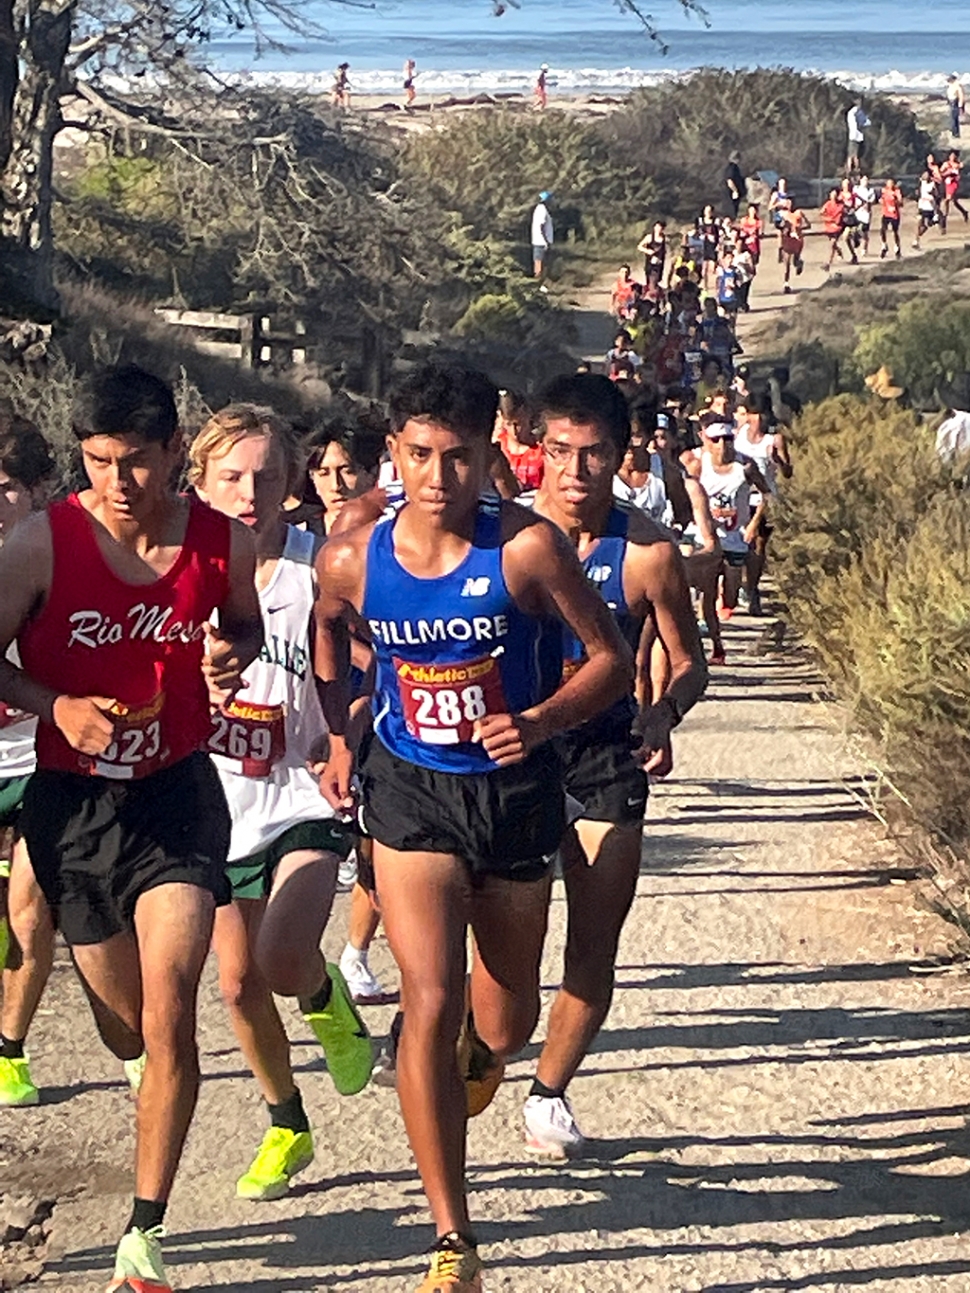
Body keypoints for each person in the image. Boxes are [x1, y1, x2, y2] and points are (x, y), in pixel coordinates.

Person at [312, 359, 632, 1292]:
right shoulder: (353, 554)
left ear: (491, 455)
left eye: (458, 457)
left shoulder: (526, 549)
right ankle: (453, 1237)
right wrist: (341, 731)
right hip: (411, 791)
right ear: (394, 453)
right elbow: (327, 632)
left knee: (506, 1013)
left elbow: (608, 660)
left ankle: (485, 1059)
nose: (439, 478)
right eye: (420, 456)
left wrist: (535, 722)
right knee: (429, 998)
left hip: (515, 792)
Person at [0, 365, 264, 1293]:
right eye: (98, 462)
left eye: (137, 463)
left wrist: (234, 650)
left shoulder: (220, 541)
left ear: (170, 454)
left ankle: (143, 1236)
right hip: (73, 809)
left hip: (175, 797)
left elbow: (242, 630)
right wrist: (52, 702)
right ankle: (140, 1075)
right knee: (124, 1032)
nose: (117, 483)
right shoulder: (41, 544)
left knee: (171, 1014)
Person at [190, 405, 374, 1204]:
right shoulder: (180, 575)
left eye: (266, 476)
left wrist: (345, 734)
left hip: (304, 788)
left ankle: (329, 1005)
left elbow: (378, 664)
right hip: (217, 796)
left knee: (283, 956)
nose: (250, 493)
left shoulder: (318, 569)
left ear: (291, 479)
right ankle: (286, 1122)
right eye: (231, 476)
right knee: (234, 986)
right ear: (197, 482)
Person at [519, 375, 706, 1157]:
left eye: (593, 453)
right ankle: (485, 1039)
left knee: (594, 940)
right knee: (502, 937)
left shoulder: (650, 552)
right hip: (516, 752)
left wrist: (665, 709)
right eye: (559, 451)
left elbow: (690, 661)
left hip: (605, 753)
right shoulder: (505, 537)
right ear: (539, 451)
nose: (574, 471)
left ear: (621, 454)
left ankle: (548, 1092)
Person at [0, 411, 57, 1108]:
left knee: (30, 910)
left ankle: (10, 1047)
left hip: (40, 756)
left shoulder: (57, 559)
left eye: (9, 485)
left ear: (39, 489)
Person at [697, 414, 769, 624]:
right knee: (706, 582)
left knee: (731, 597)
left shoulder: (746, 466)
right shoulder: (697, 463)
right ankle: (704, 619)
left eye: (727, 439)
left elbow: (767, 495)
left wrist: (754, 524)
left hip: (736, 536)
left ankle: (724, 599)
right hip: (707, 536)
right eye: (716, 439)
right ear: (707, 441)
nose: (722, 444)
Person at [733, 389, 792, 617]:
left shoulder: (774, 439)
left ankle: (752, 588)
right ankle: (739, 585)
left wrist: (778, 460)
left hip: (765, 498)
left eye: (760, 415)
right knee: (739, 543)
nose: (756, 420)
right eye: (752, 414)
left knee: (757, 543)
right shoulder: (738, 435)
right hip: (740, 496)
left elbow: (788, 472)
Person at [493, 390, 544, 490]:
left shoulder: (541, 450)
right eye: (509, 424)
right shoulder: (498, 447)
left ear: (526, 416)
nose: (514, 431)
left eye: (518, 424)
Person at [821, 187, 847, 271]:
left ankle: (828, 263)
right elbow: (821, 213)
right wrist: (826, 218)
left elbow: (840, 217)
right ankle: (839, 250)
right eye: (832, 194)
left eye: (835, 195)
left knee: (832, 243)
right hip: (828, 226)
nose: (833, 196)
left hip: (837, 227)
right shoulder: (828, 204)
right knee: (833, 244)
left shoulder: (841, 205)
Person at [768, 177, 793, 261]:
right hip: (778, 216)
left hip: (787, 215)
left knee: (787, 232)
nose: (783, 185)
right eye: (781, 183)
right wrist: (778, 204)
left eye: (784, 184)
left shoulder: (788, 194)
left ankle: (787, 249)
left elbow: (790, 206)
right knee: (780, 233)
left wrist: (788, 205)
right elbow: (770, 207)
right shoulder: (775, 194)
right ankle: (780, 249)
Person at [941, 151, 968, 228]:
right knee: (954, 201)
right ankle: (964, 212)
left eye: (954, 156)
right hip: (947, 183)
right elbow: (941, 173)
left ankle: (944, 218)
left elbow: (959, 172)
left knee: (947, 200)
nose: (952, 157)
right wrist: (947, 173)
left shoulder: (957, 165)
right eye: (951, 155)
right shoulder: (946, 164)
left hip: (954, 184)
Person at [637, 220, 667, 287]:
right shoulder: (649, 237)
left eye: (661, 227)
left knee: (656, 281)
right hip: (651, 264)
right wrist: (647, 251)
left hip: (659, 264)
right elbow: (639, 246)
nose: (658, 229)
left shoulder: (663, 238)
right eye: (657, 227)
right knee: (651, 282)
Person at [531, 190, 554, 280]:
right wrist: (545, 241)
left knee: (541, 264)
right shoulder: (542, 209)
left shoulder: (540, 209)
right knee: (539, 264)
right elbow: (541, 225)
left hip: (541, 241)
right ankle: (537, 284)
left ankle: (540, 284)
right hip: (541, 242)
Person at [852, 174, 876, 256]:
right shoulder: (856, 189)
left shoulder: (870, 190)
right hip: (857, 213)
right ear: (860, 180)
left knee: (863, 231)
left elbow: (871, 202)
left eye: (867, 180)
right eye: (864, 180)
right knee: (855, 230)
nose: (865, 182)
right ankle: (856, 242)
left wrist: (867, 204)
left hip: (866, 214)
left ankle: (864, 248)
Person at [880, 177, 903, 259]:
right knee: (882, 230)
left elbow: (901, 203)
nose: (890, 185)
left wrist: (897, 200)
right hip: (886, 213)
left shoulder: (897, 191)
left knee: (895, 232)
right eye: (888, 183)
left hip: (894, 214)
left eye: (891, 183)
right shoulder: (884, 191)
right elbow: (881, 199)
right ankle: (884, 246)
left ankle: (897, 249)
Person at [914, 170, 938, 249]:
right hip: (922, 206)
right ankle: (916, 240)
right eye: (924, 175)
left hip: (930, 207)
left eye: (927, 175)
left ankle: (919, 234)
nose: (925, 176)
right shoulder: (921, 182)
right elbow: (917, 191)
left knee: (927, 225)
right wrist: (917, 194)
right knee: (919, 222)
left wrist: (933, 193)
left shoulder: (933, 184)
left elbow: (937, 194)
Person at [846, 101, 870, 174]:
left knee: (851, 155)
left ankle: (851, 169)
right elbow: (864, 122)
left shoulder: (852, 113)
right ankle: (855, 168)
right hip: (856, 137)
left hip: (854, 136)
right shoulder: (856, 112)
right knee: (855, 155)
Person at [724, 151, 746, 219]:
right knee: (732, 210)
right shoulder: (732, 168)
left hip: (733, 194)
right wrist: (735, 191)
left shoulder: (734, 167)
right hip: (731, 194)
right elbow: (729, 180)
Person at [947, 74, 966, 139]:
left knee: (954, 118)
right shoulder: (951, 86)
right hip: (952, 102)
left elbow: (961, 96)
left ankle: (955, 133)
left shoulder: (957, 86)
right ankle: (954, 132)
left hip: (955, 102)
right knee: (953, 118)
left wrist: (960, 105)